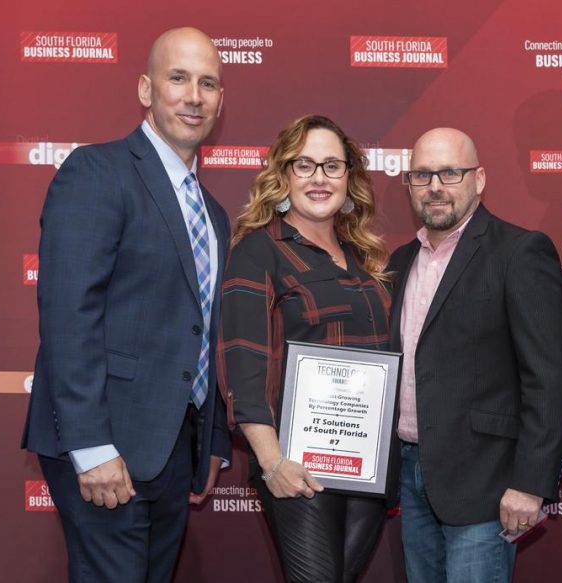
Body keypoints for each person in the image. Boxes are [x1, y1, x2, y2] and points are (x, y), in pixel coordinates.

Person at [21, 27, 231, 582]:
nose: (194, 96)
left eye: (208, 83)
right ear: (145, 89)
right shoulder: (97, 172)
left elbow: (203, 332)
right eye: (178, 79)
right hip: (106, 442)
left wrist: (210, 441)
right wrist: (90, 447)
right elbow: (69, 315)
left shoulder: (213, 213)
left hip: (172, 450)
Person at [389, 128, 562, 583]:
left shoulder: (519, 251)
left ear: (479, 179)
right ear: (408, 184)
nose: (435, 186)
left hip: (486, 484)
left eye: (450, 173)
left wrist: (531, 483)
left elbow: (548, 378)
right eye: (422, 175)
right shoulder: (397, 262)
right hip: (411, 474)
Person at [218, 114, 394, 582]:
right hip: (298, 468)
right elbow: (243, 365)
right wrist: (271, 462)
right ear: (283, 174)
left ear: (349, 177)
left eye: (332, 166)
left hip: (367, 468)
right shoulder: (258, 252)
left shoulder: (364, 258)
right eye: (304, 165)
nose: (319, 177)